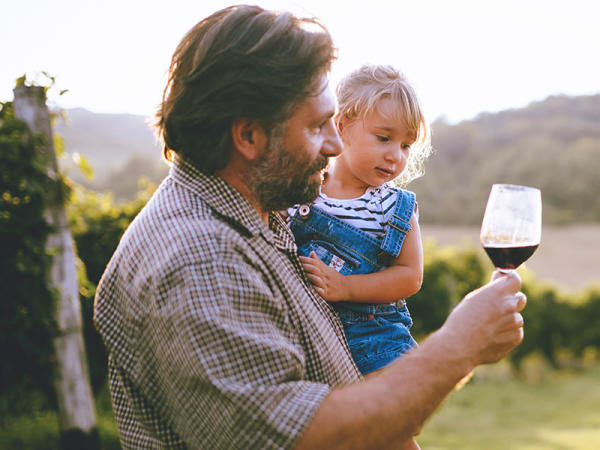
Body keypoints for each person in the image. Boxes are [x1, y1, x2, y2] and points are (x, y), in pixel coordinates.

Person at [93, 5, 527, 449]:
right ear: (248, 137)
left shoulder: (262, 211)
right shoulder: (202, 261)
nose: (335, 143)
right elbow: (300, 439)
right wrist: (457, 347)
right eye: (320, 125)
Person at [289, 64, 430, 377]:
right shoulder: (301, 191)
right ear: (342, 126)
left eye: (406, 145)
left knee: (387, 416)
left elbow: (410, 276)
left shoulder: (393, 207)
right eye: (383, 138)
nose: (396, 156)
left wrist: (346, 287)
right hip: (305, 338)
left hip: (375, 341)